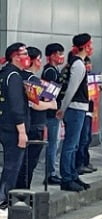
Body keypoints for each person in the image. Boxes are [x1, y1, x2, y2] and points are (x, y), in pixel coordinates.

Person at [56, 33, 93, 191]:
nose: (92, 47)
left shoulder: (78, 63)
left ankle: (72, 175)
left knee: (75, 144)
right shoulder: (78, 64)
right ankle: (67, 177)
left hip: (78, 107)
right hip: (75, 107)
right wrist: (63, 108)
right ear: (85, 46)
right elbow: (72, 89)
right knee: (70, 145)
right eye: (90, 44)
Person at [16, 46, 57, 189]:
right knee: (28, 163)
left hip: (20, 124)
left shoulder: (17, 76)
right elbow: (36, 105)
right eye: (39, 60)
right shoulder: (32, 79)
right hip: (34, 125)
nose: (40, 63)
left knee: (19, 162)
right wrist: (51, 104)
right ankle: (22, 193)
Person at [0, 43, 31, 212]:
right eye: (24, 53)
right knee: (12, 166)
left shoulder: (4, 73)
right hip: (12, 128)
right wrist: (22, 131)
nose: (27, 57)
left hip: (4, 124)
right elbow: (16, 106)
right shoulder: (14, 76)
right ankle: (3, 201)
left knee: (9, 165)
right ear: (15, 56)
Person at [41, 43, 65, 185]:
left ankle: (51, 172)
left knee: (54, 142)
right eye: (59, 54)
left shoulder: (54, 70)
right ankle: (50, 173)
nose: (61, 57)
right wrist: (55, 109)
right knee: (53, 143)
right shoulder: (50, 71)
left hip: (54, 110)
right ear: (52, 55)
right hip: (51, 112)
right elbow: (48, 95)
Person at [75, 56, 97, 173]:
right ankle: (79, 164)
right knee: (82, 139)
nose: (88, 66)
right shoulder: (79, 76)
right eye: (85, 63)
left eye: (89, 64)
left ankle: (85, 161)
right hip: (81, 109)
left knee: (87, 138)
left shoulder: (92, 77)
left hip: (89, 111)